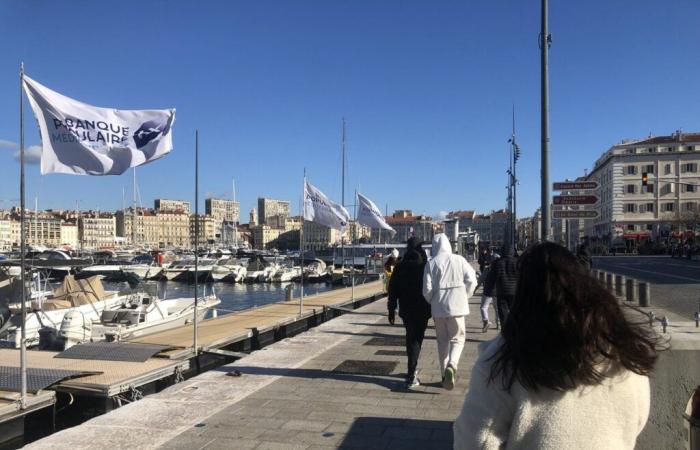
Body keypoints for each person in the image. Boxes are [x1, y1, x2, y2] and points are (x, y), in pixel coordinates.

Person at [454, 242, 659, 449]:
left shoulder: (504, 359)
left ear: (523, 294)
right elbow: (638, 419)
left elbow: (474, 441)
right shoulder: (623, 351)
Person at [423, 233, 477, 390]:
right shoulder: (459, 260)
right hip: (457, 306)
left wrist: (433, 301)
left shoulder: (431, 263)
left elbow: (426, 289)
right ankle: (452, 365)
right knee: (458, 338)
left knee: (442, 341)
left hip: (438, 308)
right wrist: (464, 296)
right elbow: (472, 280)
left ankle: (443, 374)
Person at [387, 237, 431, 389]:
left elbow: (392, 290)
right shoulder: (425, 265)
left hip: (406, 309)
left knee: (410, 337)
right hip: (423, 309)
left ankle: (411, 368)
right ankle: (412, 372)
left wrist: (391, 310)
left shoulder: (400, 266)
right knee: (417, 339)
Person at [482, 245, 518, 330]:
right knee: (515, 313)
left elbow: (492, 278)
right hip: (515, 292)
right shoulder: (517, 262)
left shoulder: (497, 263)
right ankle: (516, 330)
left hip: (502, 292)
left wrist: (488, 292)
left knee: (503, 313)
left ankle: (505, 332)